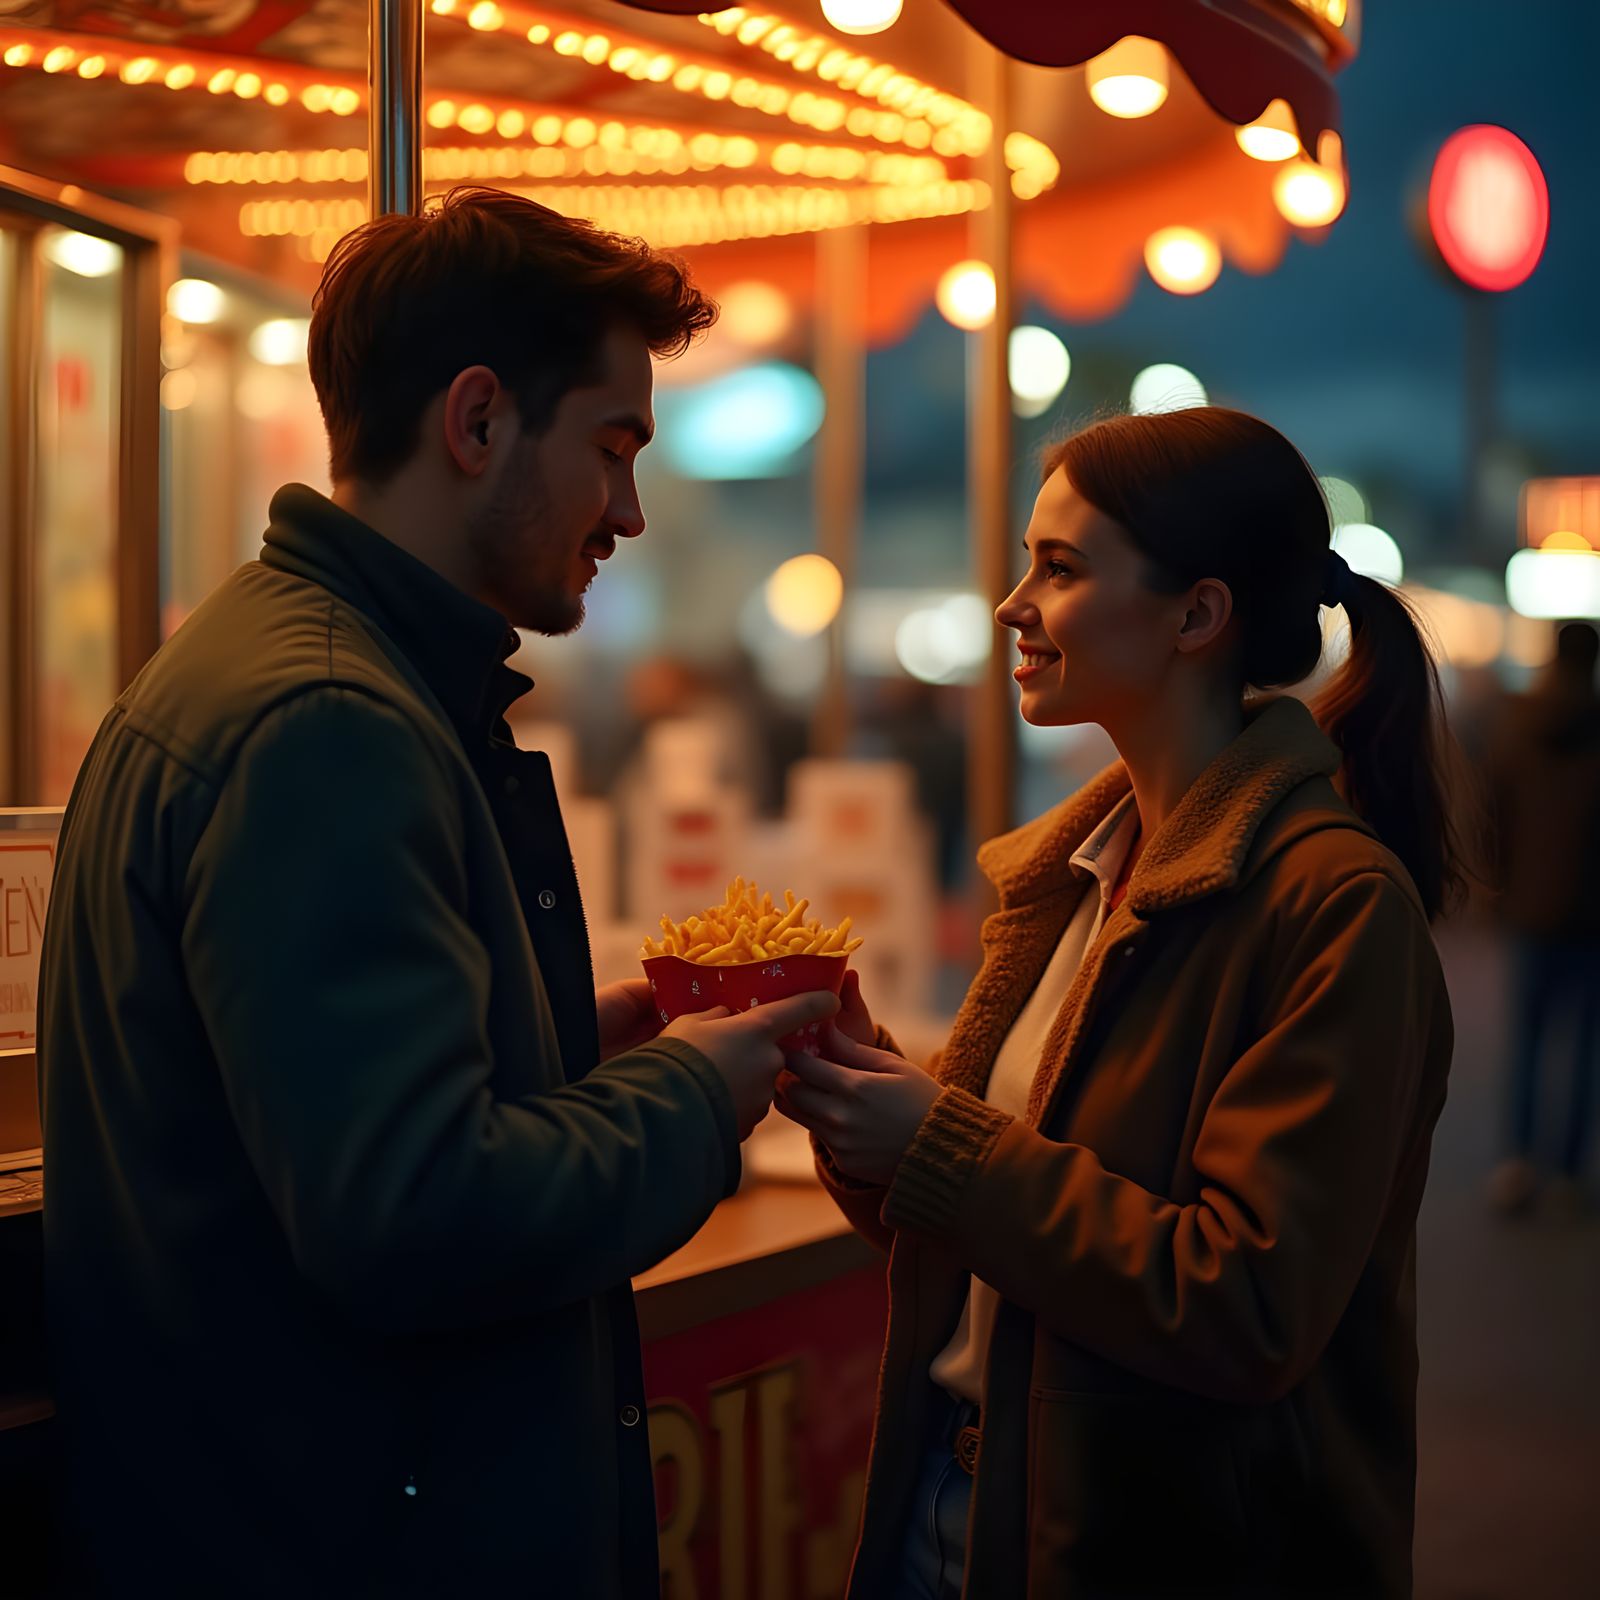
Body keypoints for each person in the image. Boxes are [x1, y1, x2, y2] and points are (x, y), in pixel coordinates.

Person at [36, 187, 838, 1598]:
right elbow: (415, 1217)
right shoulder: (328, 722)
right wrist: (703, 1095)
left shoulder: (301, 668)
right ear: (476, 424)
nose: (630, 512)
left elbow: (325, 1113)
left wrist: (568, 1041)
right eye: (611, 447)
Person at [778, 408, 1462, 1598]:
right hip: (968, 1504)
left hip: (1173, 1548)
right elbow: (994, 1230)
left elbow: (1244, 1303)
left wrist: (935, 1141)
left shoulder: (1336, 905)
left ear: (1197, 615)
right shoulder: (1080, 870)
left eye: (1060, 567)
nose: (1009, 604)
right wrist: (854, 1084)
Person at [1483, 620, 1600, 1219]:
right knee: (1584, 1049)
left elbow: (1494, 814)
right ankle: (1568, 1170)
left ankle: (1519, 1161)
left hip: (1531, 905)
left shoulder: (1522, 727)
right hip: (1589, 913)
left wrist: (1496, 889)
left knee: (1526, 1040)